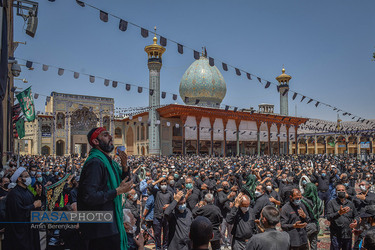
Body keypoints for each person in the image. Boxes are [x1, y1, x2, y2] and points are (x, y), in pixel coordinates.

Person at [77, 127, 133, 250]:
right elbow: (89, 197)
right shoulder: (96, 163)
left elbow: (125, 184)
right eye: (105, 135)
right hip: (101, 230)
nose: (111, 137)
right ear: (96, 142)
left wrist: (124, 167)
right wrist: (117, 191)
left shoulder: (109, 162)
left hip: (110, 226)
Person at [3, 167, 42, 250]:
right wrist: (33, 206)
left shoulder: (27, 191)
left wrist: (38, 195)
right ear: (19, 179)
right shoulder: (14, 194)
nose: (28, 178)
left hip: (30, 230)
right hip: (20, 233)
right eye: (26, 176)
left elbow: (33, 203)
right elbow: (18, 213)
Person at [327, 184, 359, 250]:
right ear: (336, 192)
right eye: (339, 190)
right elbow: (329, 217)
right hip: (336, 234)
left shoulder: (350, 203)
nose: (341, 191)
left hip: (347, 234)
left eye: (342, 190)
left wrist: (356, 221)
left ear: (345, 191)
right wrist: (339, 213)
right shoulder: (331, 203)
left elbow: (356, 215)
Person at [301, 183, 323, 250]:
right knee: (314, 244)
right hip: (316, 225)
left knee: (303, 243)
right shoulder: (319, 201)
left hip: (307, 225)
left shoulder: (303, 201)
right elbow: (321, 212)